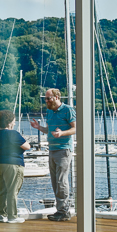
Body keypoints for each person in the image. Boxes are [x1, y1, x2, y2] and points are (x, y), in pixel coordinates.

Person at [39, 88, 76, 221]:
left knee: (61, 181)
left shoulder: (68, 110)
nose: (47, 101)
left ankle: (64, 211)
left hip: (64, 149)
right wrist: (39, 128)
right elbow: (49, 130)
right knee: (55, 182)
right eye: (45, 99)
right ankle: (60, 210)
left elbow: (75, 128)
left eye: (49, 98)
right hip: (52, 149)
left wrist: (62, 133)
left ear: (57, 97)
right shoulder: (49, 111)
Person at [0, 107, 28, 221]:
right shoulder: (13, 134)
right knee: (12, 191)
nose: (14, 122)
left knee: (1, 191)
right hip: (13, 164)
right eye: (13, 120)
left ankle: (2, 214)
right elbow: (27, 146)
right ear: (9, 122)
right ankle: (12, 216)